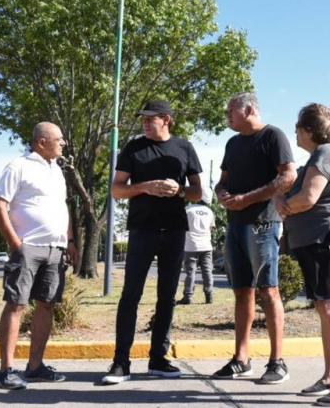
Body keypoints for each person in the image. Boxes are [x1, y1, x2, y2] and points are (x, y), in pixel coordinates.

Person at [102, 100, 203, 385]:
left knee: (167, 297)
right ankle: (120, 362)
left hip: (174, 231)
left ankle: (158, 359)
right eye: (143, 119)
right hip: (142, 230)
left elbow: (198, 193)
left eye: (151, 119)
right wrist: (144, 187)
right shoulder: (134, 148)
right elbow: (117, 190)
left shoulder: (184, 148)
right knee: (130, 295)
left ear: (167, 119)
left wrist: (180, 190)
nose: (145, 124)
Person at [276, 104, 330, 406]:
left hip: (323, 237)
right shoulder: (322, 156)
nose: (295, 132)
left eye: (298, 127)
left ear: (309, 130)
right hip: (317, 238)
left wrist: (282, 202)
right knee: (324, 308)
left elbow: (307, 198)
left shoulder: (326, 154)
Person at [213, 92, 297, 384]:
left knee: (268, 291)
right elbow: (221, 182)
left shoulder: (273, 136)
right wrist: (221, 193)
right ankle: (241, 359)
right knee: (242, 292)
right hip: (234, 225)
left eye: (230, 111)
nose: (227, 117)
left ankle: (277, 362)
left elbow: (288, 177)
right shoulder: (233, 143)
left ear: (248, 110)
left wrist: (248, 198)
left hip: (263, 225)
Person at [0, 122, 77, 391]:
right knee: (16, 304)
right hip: (28, 247)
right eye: (59, 139)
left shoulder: (57, 172)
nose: (63, 144)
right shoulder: (19, 166)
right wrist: (15, 242)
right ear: (41, 141)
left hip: (56, 249)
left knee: (47, 305)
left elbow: (62, 208)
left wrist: (70, 240)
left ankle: (35, 366)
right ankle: (6, 370)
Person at [178, 185, 215, 305]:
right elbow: (212, 228)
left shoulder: (187, 209)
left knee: (190, 272)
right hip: (206, 246)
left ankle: (188, 296)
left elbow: (181, 227)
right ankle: (209, 296)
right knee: (207, 271)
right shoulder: (210, 212)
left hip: (190, 246)